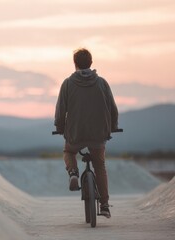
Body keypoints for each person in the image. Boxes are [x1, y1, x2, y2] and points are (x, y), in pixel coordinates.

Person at [54, 48, 119, 218]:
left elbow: (60, 110)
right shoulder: (102, 83)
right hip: (98, 134)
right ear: (91, 62)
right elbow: (113, 108)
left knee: (68, 151)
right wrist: (112, 126)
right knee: (100, 166)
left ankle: (73, 172)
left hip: (75, 134)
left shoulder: (67, 83)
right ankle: (104, 205)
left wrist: (60, 127)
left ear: (75, 63)